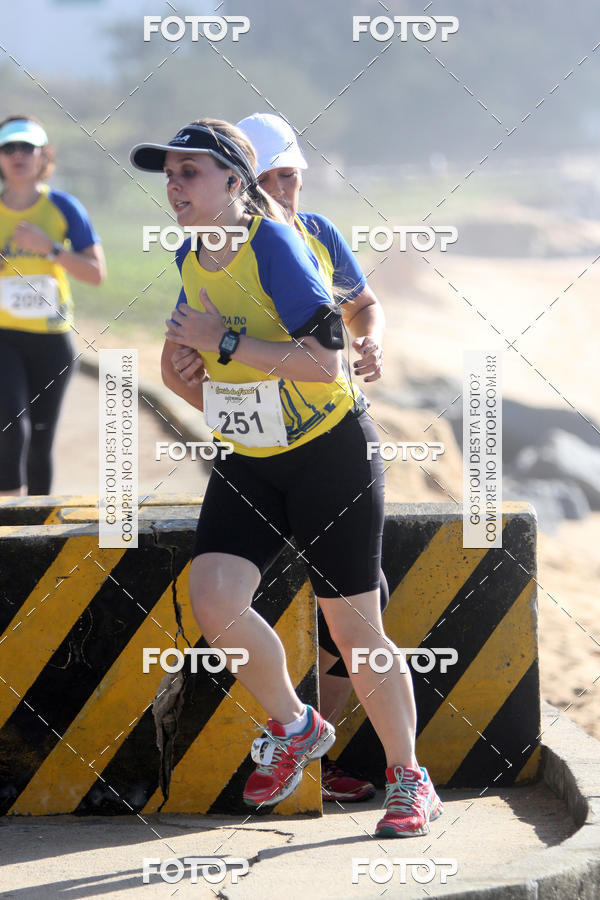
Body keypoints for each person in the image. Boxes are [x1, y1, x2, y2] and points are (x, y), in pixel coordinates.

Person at [130, 118, 443, 837]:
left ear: (235, 183)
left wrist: (223, 341)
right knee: (214, 597)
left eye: (190, 173)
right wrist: (185, 382)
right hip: (252, 454)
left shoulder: (272, 243)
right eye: (169, 175)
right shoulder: (188, 253)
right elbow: (203, 374)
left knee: (356, 630)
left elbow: (324, 359)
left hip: (329, 451)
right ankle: (298, 726)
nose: (174, 187)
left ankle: (408, 778)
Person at [0, 116, 106, 496]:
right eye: (8, 147)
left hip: (51, 340)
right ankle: (8, 530)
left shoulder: (63, 207)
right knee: (11, 430)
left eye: (26, 147)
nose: (17, 155)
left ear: (43, 155)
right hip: (3, 337)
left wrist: (51, 248)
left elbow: (96, 273)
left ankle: (38, 535)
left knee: (41, 442)